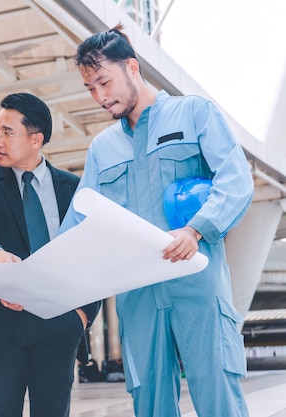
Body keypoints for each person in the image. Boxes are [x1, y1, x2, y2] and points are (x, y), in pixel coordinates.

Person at [60, 24, 253, 417]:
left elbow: (236, 181)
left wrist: (196, 228)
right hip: (137, 295)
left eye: (103, 82)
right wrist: (40, 281)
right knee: (149, 403)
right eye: (90, 89)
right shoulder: (102, 148)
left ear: (132, 67)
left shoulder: (194, 113)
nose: (99, 96)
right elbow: (79, 222)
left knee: (217, 394)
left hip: (196, 281)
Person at [0, 92, 101, 417]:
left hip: (58, 320)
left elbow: (93, 251)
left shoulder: (74, 188)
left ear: (36, 139)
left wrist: (82, 315)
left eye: (8, 132)